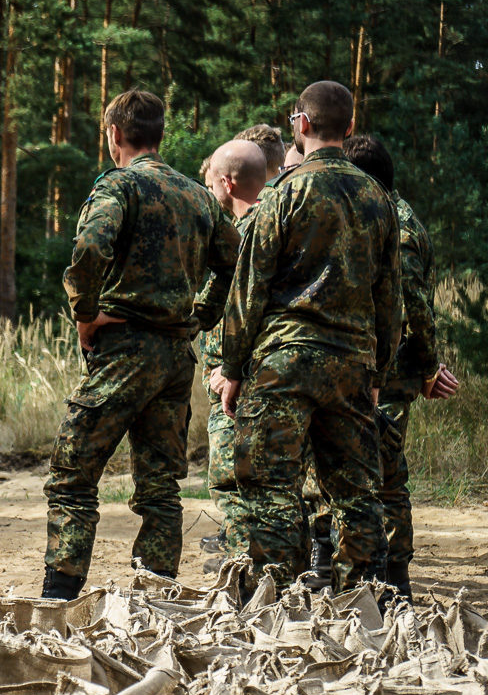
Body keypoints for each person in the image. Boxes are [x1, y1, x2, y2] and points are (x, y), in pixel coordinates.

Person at [41, 90, 240, 598]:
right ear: (160, 134)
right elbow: (235, 266)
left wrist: (85, 314)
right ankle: (157, 591)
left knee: (73, 468)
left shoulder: (119, 187)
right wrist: (200, 315)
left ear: (114, 136)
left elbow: (89, 247)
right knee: (160, 485)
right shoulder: (199, 196)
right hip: (176, 357)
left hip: (125, 349)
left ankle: (60, 591)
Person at [211, 80, 399, 590]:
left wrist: (231, 368)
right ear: (351, 127)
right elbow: (389, 301)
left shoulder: (286, 193)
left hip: (285, 362)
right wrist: (377, 374)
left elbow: (247, 289)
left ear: (302, 124)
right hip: (351, 365)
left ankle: (271, 606)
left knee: (269, 490)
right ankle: (365, 607)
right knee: (357, 494)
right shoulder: (378, 199)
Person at [342, 133, 459, 598]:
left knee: (384, 474)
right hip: (373, 366)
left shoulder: (397, 225)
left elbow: (414, 305)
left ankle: (395, 576)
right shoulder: (383, 213)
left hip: (388, 373)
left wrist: (429, 366)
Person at [196, 139, 270, 557]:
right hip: (268, 370)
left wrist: (231, 366)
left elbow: (241, 306)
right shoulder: (278, 221)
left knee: (234, 480)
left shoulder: (247, 232)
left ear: (225, 183)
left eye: (210, 185)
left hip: (241, 378)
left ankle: (246, 573)